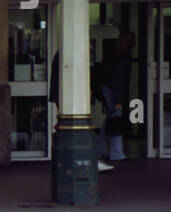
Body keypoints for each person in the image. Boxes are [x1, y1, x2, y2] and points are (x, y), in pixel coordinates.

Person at [50, 49, 112, 172]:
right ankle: (86, 160)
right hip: (68, 96)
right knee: (79, 128)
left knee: (72, 129)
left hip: (63, 95)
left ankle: (80, 160)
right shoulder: (70, 51)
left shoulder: (64, 52)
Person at [97, 31, 135, 162]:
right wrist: (119, 100)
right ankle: (117, 153)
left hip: (107, 88)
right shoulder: (125, 58)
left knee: (111, 119)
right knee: (116, 119)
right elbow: (119, 80)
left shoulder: (115, 55)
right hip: (113, 91)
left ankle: (100, 150)